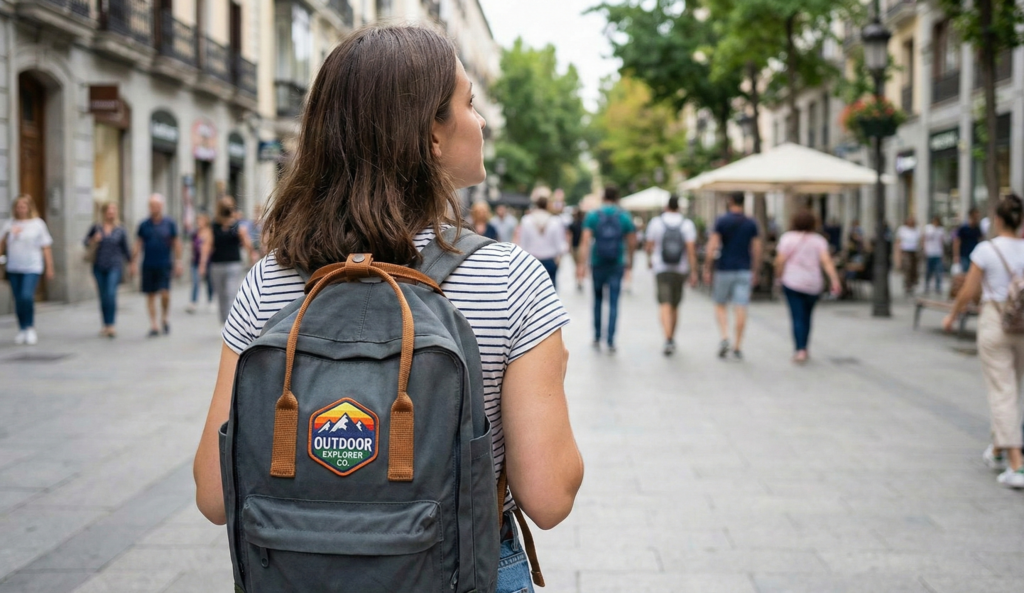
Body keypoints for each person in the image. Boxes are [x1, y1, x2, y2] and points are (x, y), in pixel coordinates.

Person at [192, 25, 584, 590]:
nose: (482, 121)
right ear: (430, 135)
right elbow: (548, 497)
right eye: (468, 104)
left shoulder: (270, 280)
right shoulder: (509, 278)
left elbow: (213, 493)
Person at [944, 194, 1024, 489]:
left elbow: (968, 290)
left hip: (996, 322)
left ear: (998, 219)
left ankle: (1017, 464)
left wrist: (952, 316)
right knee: (1012, 388)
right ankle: (998, 449)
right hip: (1023, 325)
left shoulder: (986, 250)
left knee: (1002, 390)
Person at [774, 211, 842, 364]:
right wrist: (834, 280)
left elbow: (780, 261)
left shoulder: (787, 238)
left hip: (792, 281)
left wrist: (778, 277)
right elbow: (826, 262)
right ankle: (804, 346)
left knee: (797, 316)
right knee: (807, 316)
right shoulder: (818, 241)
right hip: (813, 283)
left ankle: (800, 350)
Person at [703, 192, 761, 360]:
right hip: (744, 269)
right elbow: (756, 248)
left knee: (720, 304)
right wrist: (755, 270)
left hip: (724, 269)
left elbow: (712, 246)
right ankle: (737, 345)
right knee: (741, 306)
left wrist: (707, 268)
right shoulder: (751, 223)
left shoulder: (722, 221)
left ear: (730, 201)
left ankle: (725, 336)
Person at [581, 186, 636, 353]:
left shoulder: (593, 215)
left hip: (598, 262)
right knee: (613, 302)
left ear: (603, 197)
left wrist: (582, 265)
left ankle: (597, 336)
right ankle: (611, 340)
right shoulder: (624, 216)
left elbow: (585, 241)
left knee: (597, 300)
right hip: (616, 262)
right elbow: (632, 241)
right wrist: (630, 261)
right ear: (617, 197)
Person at [644, 195, 697, 355]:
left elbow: (649, 245)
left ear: (667, 206)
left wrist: (649, 259)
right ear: (679, 207)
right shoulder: (687, 224)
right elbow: (691, 250)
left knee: (664, 304)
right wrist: (694, 271)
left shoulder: (656, 222)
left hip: (661, 268)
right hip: (680, 269)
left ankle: (667, 338)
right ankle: (672, 336)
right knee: (675, 304)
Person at [0, 195, 54, 345]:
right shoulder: (9, 224)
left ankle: (30, 327)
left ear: (29, 207)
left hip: (32, 266)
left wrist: (49, 267)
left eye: (24, 206)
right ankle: (22, 328)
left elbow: (46, 246)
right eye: (18, 206)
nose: (21, 209)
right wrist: (9, 234)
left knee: (26, 296)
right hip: (14, 266)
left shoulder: (37, 224)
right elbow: (2, 245)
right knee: (17, 299)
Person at [199, 196, 256, 324]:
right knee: (221, 296)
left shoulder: (237, 226)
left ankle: (230, 324)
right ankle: (224, 321)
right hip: (217, 265)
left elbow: (246, 242)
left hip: (233, 264)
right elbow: (207, 245)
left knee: (230, 294)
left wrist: (252, 254)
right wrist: (202, 264)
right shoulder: (213, 226)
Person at [132, 194, 182, 337]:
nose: (155, 207)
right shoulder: (144, 224)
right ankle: (154, 324)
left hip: (164, 264)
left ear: (162, 206)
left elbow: (176, 243)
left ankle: (164, 317)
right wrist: (133, 261)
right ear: (149, 207)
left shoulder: (169, 223)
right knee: (151, 295)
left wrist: (178, 262)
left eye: (157, 205)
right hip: (148, 264)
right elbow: (138, 243)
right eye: (152, 205)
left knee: (165, 293)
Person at [84, 202, 132, 337]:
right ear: (104, 212)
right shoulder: (96, 227)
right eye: (109, 210)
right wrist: (93, 239)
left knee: (111, 293)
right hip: (98, 266)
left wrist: (131, 264)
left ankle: (111, 325)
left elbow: (126, 249)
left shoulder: (121, 229)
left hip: (115, 266)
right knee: (103, 295)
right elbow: (85, 242)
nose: (111, 213)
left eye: (113, 210)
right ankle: (105, 324)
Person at [517, 196, 567, 289]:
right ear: (547, 205)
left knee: (531, 290)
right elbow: (559, 245)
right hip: (549, 259)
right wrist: (559, 257)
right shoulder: (555, 221)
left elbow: (523, 243)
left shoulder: (526, 220)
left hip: (531, 260)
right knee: (550, 291)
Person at [186, 212, 214, 314]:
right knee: (195, 282)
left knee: (209, 282)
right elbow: (192, 245)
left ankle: (210, 300)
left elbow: (209, 247)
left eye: (201, 220)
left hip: (209, 261)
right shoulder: (195, 233)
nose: (199, 222)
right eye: (198, 220)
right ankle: (193, 302)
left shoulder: (210, 232)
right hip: (195, 261)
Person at [895, 216, 921, 295]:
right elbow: (898, 241)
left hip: (915, 251)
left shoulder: (917, 230)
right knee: (907, 267)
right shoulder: (902, 229)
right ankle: (907, 284)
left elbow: (920, 240)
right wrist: (898, 254)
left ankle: (912, 283)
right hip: (906, 251)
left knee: (914, 269)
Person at [953, 207, 983, 271]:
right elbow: (957, 241)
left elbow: (980, 240)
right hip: (964, 255)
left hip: (975, 255)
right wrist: (956, 255)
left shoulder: (977, 228)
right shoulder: (963, 228)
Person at [922, 215, 946, 295]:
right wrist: (924, 250)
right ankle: (927, 286)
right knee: (929, 271)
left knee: (938, 271)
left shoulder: (941, 230)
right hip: (929, 252)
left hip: (938, 253)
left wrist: (943, 253)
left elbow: (941, 242)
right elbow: (924, 239)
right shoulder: (928, 228)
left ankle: (938, 287)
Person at [567, 208, 586, 290]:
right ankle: (580, 280)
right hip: (582, 246)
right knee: (581, 264)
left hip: (574, 247)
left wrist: (569, 247)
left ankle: (577, 280)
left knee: (576, 265)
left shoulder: (572, 224)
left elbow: (569, 237)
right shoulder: (584, 224)